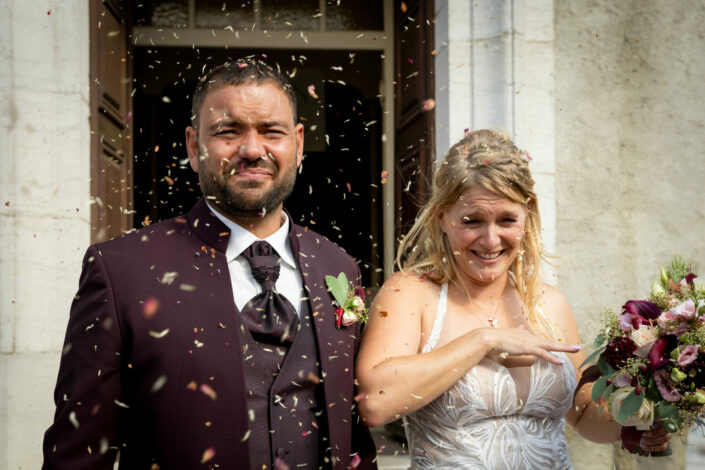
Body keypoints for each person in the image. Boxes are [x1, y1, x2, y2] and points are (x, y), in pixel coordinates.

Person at [42, 60, 376, 470]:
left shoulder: (338, 266)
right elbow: (77, 456)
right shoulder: (119, 270)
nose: (253, 150)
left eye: (271, 131)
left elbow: (355, 438)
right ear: (192, 147)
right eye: (228, 131)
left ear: (299, 143)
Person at [354, 129, 669, 469]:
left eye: (506, 220)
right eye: (472, 220)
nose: (491, 240)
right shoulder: (410, 293)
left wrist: (634, 421)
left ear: (527, 217)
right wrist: (482, 340)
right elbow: (375, 402)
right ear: (441, 218)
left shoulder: (549, 303)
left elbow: (581, 413)